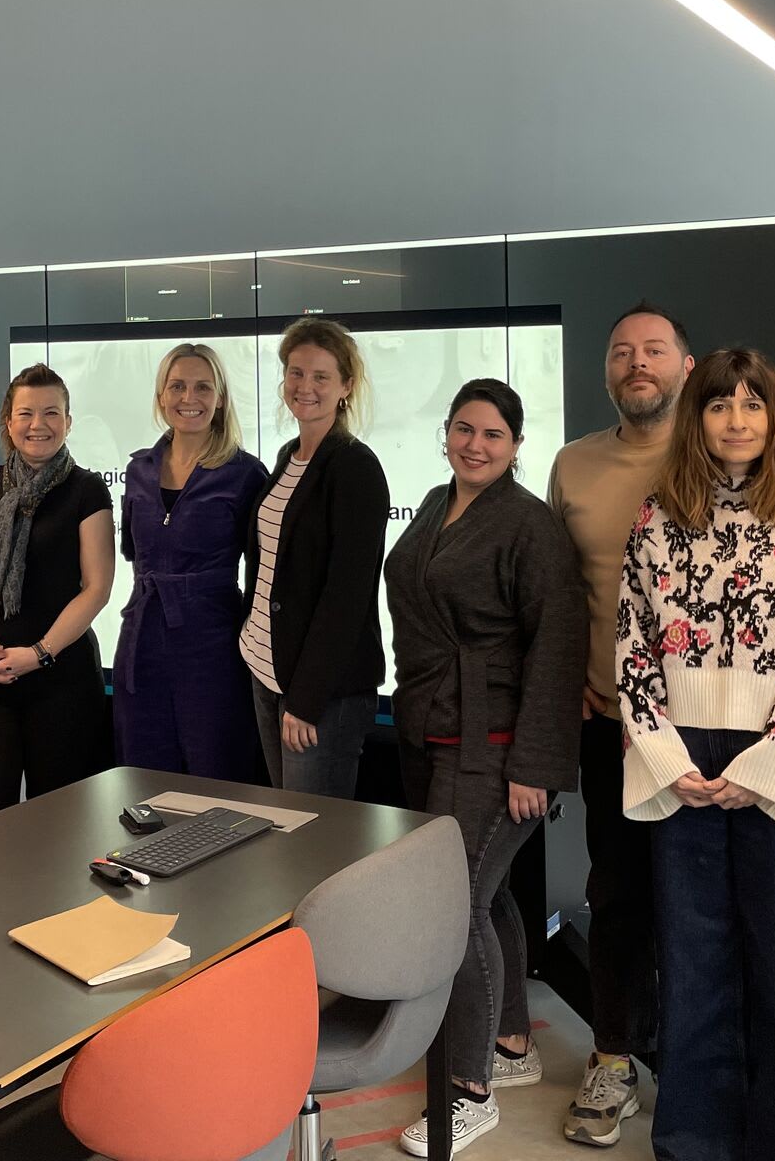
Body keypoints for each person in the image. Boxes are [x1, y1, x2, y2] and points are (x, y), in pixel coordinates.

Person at [617, 346, 775, 1161]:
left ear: (774, 418)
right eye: (721, 405)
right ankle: (696, 1144)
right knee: (695, 975)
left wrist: (762, 770)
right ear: (699, 416)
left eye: (753, 405)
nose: (737, 420)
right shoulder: (659, 515)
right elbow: (632, 645)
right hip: (682, 767)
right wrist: (663, 757)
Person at [389, 378, 588, 1158]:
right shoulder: (439, 504)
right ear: (447, 433)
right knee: (488, 890)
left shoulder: (530, 526)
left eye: (493, 435)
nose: (476, 444)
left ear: (515, 447)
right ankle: (510, 1044)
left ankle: (465, 1088)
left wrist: (534, 762)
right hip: (435, 729)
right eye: (464, 429)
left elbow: (558, 646)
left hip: (499, 741)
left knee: (455, 904)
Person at [545, 302, 693, 1146]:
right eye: (621, 353)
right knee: (621, 894)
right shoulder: (574, 463)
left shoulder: (722, 448)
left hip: (709, 732)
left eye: (654, 351)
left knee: (702, 900)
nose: (637, 364)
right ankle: (613, 1059)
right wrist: (571, 684)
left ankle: (704, 1064)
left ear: (685, 362)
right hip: (610, 724)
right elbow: (562, 591)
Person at [0, 364, 115, 819]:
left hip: (61, 678)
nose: (37, 425)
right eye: (25, 413)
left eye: (51, 413)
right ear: (8, 421)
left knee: (59, 825)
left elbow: (97, 587)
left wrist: (39, 653)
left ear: (68, 421)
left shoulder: (86, 488)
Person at [240, 318, 389, 799]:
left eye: (321, 376)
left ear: (346, 386)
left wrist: (305, 701)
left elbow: (346, 596)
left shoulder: (355, 468)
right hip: (268, 671)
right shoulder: (289, 456)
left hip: (320, 695)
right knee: (288, 830)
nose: (305, 386)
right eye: (296, 373)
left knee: (314, 845)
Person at [114, 343, 270, 780]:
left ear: (220, 397)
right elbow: (132, 552)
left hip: (214, 645)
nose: (189, 398)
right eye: (177, 386)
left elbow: (262, 575)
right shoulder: (138, 470)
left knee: (216, 778)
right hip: (141, 642)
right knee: (142, 783)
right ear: (161, 396)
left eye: (203, 387)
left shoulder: (246, 474)